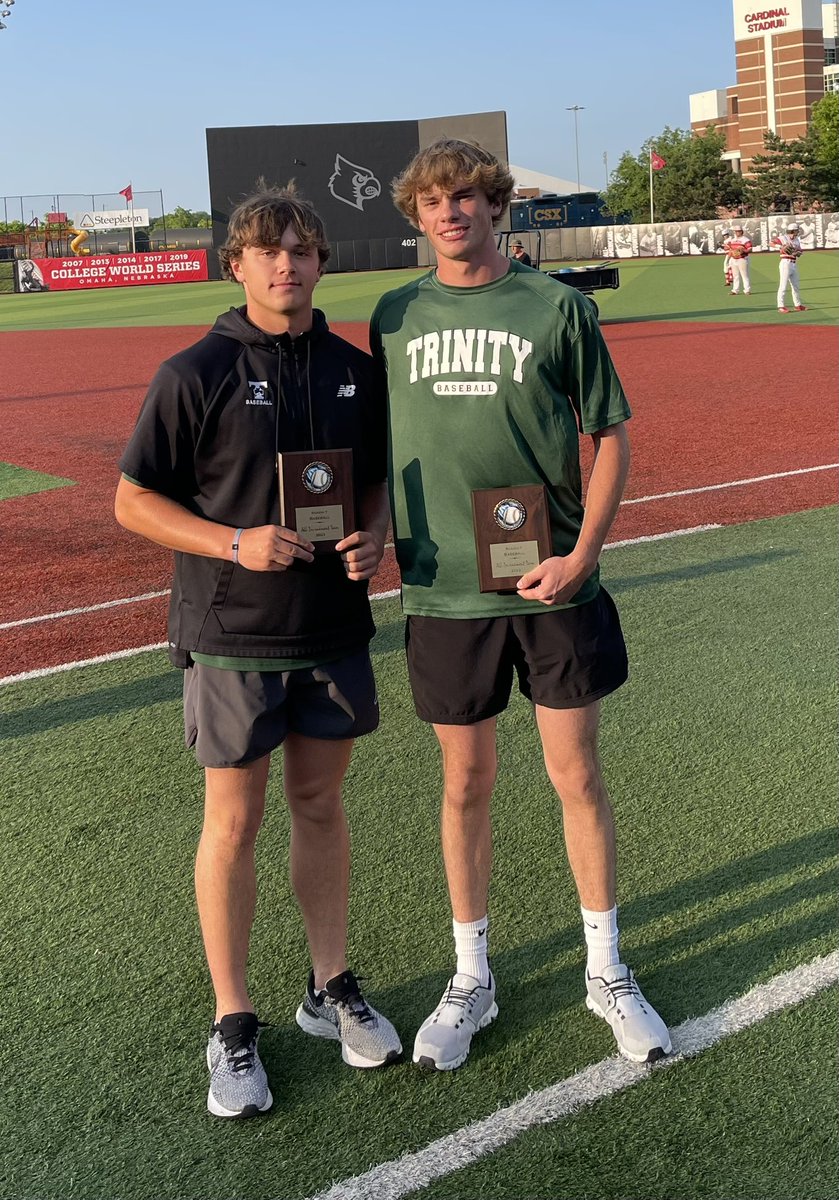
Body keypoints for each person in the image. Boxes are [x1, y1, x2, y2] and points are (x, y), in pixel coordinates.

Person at [370, 138, 671, 1072]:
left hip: (550, 582)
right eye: (432, 200)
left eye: (467, 195)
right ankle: (472, 976)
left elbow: (610, 437)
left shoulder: (559, 308)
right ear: (415, 216)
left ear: (497, 206)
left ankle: (606, 969)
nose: (450, 211)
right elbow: (380, 443)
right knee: (463, 782)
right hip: (444, 588)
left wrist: (584, 553)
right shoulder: (392, 315)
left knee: (575, 776)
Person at [115, 186, 401, 1120]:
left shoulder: (354, 371)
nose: (289, 265)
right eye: (269, 251)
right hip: (232, 634)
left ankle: (327, 989)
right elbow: (133, 502)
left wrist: (374, 535)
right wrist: (232, 543)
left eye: (304, 250)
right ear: (236, 265)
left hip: (330, 629)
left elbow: (376, 489)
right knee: (231, 825)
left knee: (319, 804)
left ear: (323, 264)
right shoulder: (192, 372)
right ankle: (232, 1023)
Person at [772, 220, 807, 313]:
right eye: (796, 230)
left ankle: (798, 305)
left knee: (795, 286)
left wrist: (797, 252)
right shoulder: (783, 238)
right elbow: (771, 243)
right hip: (785, 263)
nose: (797, 232)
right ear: (792, 230)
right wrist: (780, 247)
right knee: (783, 285)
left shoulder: (796, 240)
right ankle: (781, 306)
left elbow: (800, 252)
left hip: (794, 263)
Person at [724, 224, 752, 295]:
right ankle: (735, 290)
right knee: (735, 276)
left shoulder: (745, 240)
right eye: (735, 231)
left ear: (741, 232)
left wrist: (743, 251)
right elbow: (730, 250)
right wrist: (728, 260)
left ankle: (747, 290)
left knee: (744, 275)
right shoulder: (733, 240)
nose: (736, 233)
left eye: (738, 231)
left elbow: (749, 249)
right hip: (734, 259)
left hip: (742, 259)